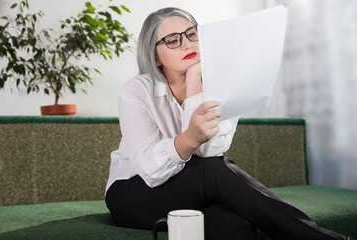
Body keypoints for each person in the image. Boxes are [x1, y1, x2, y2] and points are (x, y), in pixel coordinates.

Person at [105, 7, 353, 240]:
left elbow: (207, 150)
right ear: (156, 57)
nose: (188, 44)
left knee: (234, 224)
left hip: (192, 190)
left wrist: (194, 80)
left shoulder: (222, 83)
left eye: (192, 35)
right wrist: (188, 139)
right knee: (211, 169)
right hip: (134, 194)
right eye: (173, 40)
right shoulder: (136, 91)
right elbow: (150, 169)